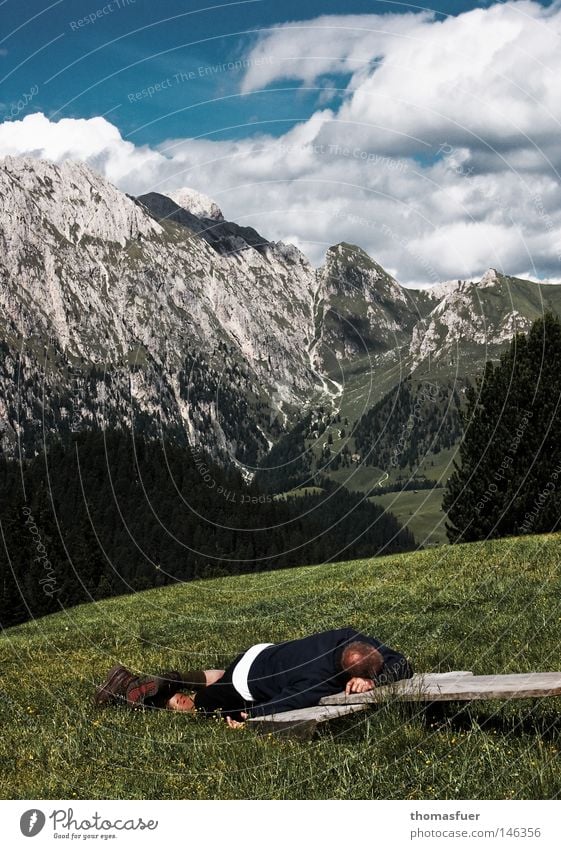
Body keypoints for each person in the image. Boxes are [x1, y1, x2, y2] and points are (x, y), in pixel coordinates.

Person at [94, 626, 413, 728]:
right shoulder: (321, 679)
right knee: (200, 704)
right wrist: (251, 715)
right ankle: (153, 699)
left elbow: (400, 661)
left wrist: (376, 678)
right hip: (244, 683)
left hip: (259, 653)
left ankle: (162, 678)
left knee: (218, 675)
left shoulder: (351, 637)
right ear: (346, 675)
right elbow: (291, 700)